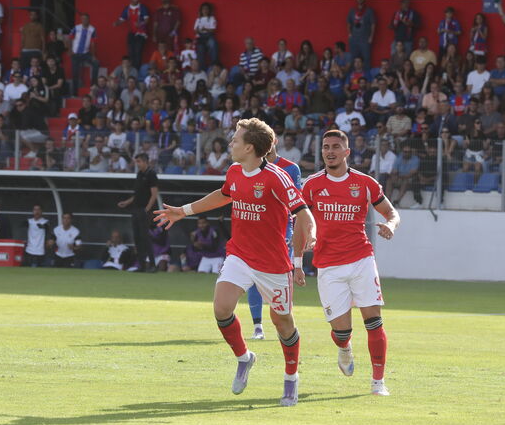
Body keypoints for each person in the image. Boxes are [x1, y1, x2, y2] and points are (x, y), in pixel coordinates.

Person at [154, 118, 316, 407]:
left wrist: (310, 235)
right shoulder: (234, 171)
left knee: (283, 324)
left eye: (236, 140)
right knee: (221, 308)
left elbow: (302, 211)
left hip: (273, 262)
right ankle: (244, 358)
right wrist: (184, 210)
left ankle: (291, 378)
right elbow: (224, 194)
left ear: (250, 147)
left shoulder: (277, 178)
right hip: (239, 254)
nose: (231, 143)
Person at [301, 129, 399, 396]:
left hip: (361, 259)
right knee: (341, 332)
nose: (329, 151)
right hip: (328, 265)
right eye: (325, 147)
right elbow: (300, 220)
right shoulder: (311, 185)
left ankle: (378, 382)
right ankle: (344, 348)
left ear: (346, 152)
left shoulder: (365, 183)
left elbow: (391, 211)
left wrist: (391, 225)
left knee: (374, 320)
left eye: (335, 147)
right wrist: (298, 260)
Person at [246, 143, 302, 340]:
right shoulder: (250, 167)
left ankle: (285, 324)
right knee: (253, 277)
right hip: (257, 230)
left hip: (282, 231)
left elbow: (297, 202)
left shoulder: (290, 168)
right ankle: (257, 327)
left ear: (274, 142)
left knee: (281, 279)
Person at [117, 153, 158, 271]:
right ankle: (142, 265)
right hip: (136, 209)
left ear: (145, 162)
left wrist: (147, 209)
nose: (137, 164)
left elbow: (154, 195)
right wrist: (126, 202)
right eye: (136, 162)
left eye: (139, 161)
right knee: (137, 237)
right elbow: (136, 195)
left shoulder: (151, 174)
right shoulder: (139, 174)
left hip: (144, 210)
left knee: (145, 237)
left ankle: (152, 264)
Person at [114, 0, 151, 66]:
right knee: (130, 52)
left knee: (138, 52)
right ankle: (130, 69)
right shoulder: (127, 9)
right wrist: (117, 23)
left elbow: (147, 20)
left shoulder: (142, 8)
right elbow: (122, 19)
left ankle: (136, 70)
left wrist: (140, 23)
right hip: (131, 33)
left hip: (141, 33)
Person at [66, 13, 99, 95]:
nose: (84, 20)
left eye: (86, 19)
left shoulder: (92, 29)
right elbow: (69, 38)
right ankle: (74, 93)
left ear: (89, 20)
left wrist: (94, 56)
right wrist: (70, 50)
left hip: (86, 53)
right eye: (82, 19)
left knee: (96, 63)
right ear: (81, 20)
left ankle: (93, 87)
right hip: (75, 53)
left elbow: (93, 43)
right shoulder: (76, 28)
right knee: (75, 73)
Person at [347, 0, 375, 67]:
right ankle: (353, 76)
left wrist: (371, 37)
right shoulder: (352, 11)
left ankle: (366, 77)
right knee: (353, 58)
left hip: (365, 39)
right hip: (354, 39)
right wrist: (349, 34)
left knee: (366, 58)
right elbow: (349, 23)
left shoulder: (369, 11)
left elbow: (373, 24)